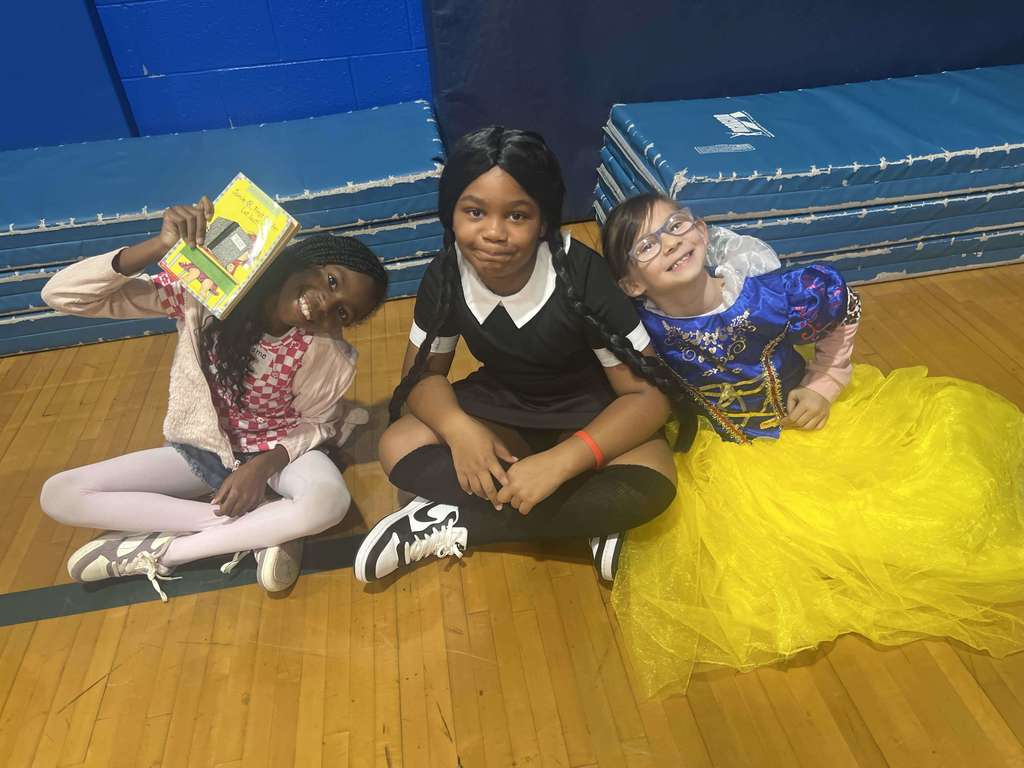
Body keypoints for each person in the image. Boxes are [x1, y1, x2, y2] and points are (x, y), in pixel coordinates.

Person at [600, 192, 1024, 696]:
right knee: (744, 586)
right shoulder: (642, 331)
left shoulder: (772, 296)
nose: (670, 243)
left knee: (910, 509)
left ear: (702, 231)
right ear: (630, 282)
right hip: (724, 455)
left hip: (808, 433)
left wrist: (824, 383)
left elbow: (846, 307)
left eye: (676, 226)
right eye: (646, 245)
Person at [353, 127, 692, 584]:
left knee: (651, 485)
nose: (493, 233)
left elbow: (649, 397)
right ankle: (588, 519)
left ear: (545, 221)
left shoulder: (580, 274)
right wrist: (460, 432)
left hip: (591, 409)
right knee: (397, 446)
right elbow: (418, 379)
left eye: (517, 215)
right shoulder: (446, 272)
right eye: (474, 211)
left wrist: (565, 460)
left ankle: (460, 522)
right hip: (504, 406)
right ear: (450, 212)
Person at [40, 197, 388, 600]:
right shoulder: (202, 297)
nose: (327, 304)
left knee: (329, 501)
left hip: (278, 454)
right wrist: (159, 246)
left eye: (343, 313)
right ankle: (265, 527)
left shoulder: (327, 351)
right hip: (204, 449)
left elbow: (318, 425)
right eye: (331, 280)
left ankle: (171, 552)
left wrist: (260, 469)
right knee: (60, 493)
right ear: (303, 259)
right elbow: (62, 295)